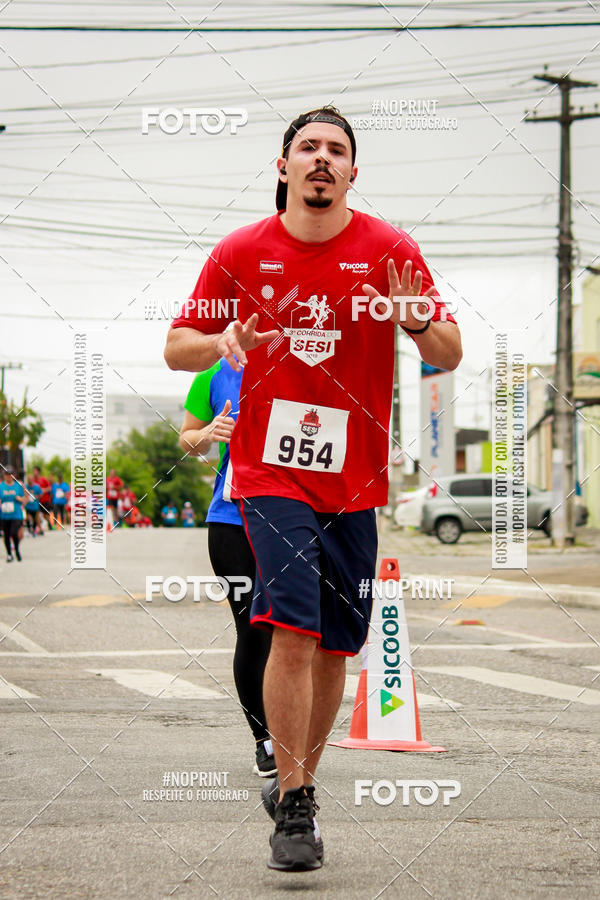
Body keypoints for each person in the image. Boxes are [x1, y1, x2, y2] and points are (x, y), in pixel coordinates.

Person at [164, 105, 461, 872]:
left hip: (354, 477)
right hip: (267, 471)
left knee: (337, 643)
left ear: (353, 172)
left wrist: (418, 318)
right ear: (284, 167)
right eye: (308, 148)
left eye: (337, 150)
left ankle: (301, 779)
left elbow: (449, 349)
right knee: (292, 628)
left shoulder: (390, 250)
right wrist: (221, 339)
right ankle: (295, 806)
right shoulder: (241, 250)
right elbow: (176, 346)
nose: (322, 159)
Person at [180, 362, 274, 776]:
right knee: (252, 628)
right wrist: (206, 434)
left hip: (296, 516)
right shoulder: (212, 375)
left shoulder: (300, 357)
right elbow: (188, 439)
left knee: (296, 630)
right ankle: (265, 740)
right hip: (231, 519)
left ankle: (294, 731)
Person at [0, 466, 25, 561]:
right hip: (4, 514)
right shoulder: (1, 486)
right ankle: (9, 554)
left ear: (13, 475)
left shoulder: (18, 486)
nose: (8, 476)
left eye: (10, 474)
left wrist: (20, 499)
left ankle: (17, 549)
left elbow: (24, 499)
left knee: (14, 533)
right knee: (6, 535)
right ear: (4, 475)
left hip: (16, 514)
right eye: (6, 474)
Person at [33, 466, 52, 532]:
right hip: (37, 501)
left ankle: (50, 525)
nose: (34, 472)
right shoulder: (33, 481)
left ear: (38, 472)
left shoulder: (43, 479)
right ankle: (39, 528)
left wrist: (43, 490)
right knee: (37, 514)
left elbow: (49, 488)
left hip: (45, 500)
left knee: (45, 515)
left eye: (35, 471)